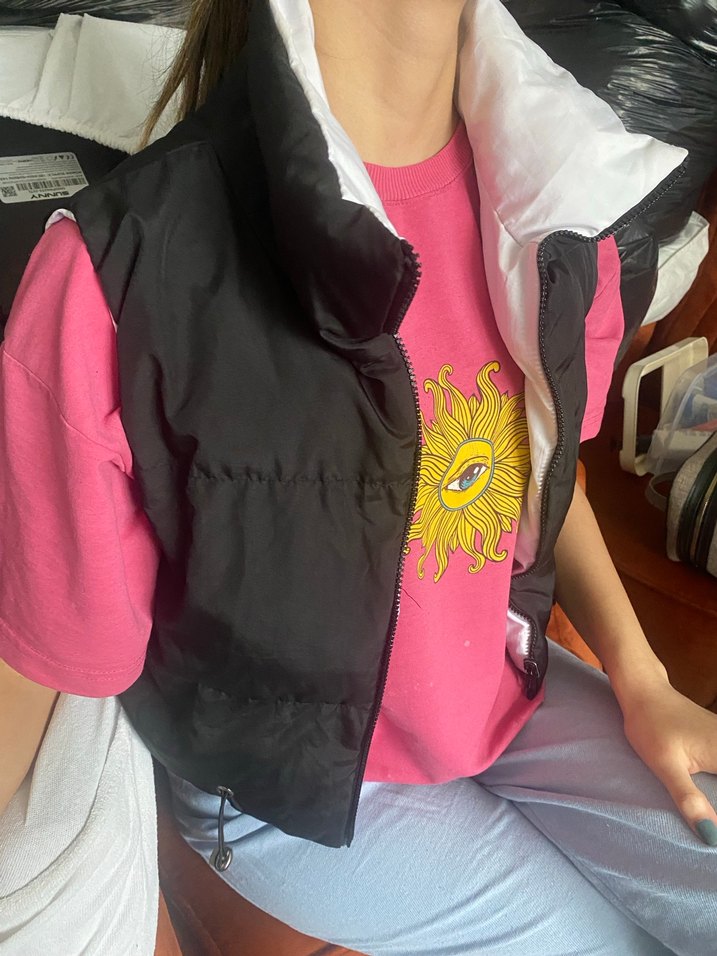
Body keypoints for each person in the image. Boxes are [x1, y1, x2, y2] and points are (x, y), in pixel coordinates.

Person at [1, 0, 716, 953]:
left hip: (503, 695)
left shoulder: (566, 196)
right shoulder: (123, 279)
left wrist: (641, 677)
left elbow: (545, 478)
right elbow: (42, 666)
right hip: (291, 795)